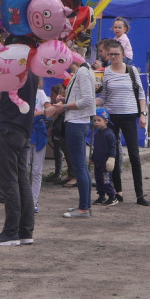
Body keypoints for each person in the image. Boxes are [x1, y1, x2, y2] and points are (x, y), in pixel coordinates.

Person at [0, 72, 39, 245]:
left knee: (9, 180)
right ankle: (25, 231)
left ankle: (11, 231)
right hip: (23, 128)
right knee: (22, 179)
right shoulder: (32, 71)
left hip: (10, 127)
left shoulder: (16, 67)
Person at [98, 40, 150, 206]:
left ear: (123, 55)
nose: (114, 57)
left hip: (129, 116)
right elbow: (103, 97)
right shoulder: (105, 72)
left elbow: (141, 94)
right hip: (111, 117)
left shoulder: (132, 71)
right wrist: (91, 102)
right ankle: (116, 192)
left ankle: (140, 195)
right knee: (111, 155)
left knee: (134, 155)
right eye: (111, 54)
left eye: (117, 54)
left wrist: (143, 114)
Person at [48, 55, 97, 218]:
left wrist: (64, 106)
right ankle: (85, 205)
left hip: (76, 123)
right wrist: (65, 100)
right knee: (81, 166)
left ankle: (84, 208)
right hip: (78, 122)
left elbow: (87, 101)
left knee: (80, 167)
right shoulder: (84, 72)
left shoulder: (83, 73)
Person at [28, 84, 51, 214]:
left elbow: (50, 109)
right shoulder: (19, 92)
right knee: (23, 168)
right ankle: (24, 199)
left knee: (37, 170)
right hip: (25, 133)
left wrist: (37, 114)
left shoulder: (40, 93)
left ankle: (34, 201)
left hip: (39, 133)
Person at [91, 108, 120, 206]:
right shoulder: (98, 133)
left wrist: (112, 158)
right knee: (98, 180)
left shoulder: (109, 134)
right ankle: (101, 196)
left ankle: (112, 196)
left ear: (106, 121)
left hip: (105, 164)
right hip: (98, 163)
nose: (96, 123)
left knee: (106, 181)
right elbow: (96, 147)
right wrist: (92, 157)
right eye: (95, 120)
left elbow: (113, 148)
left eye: (99, 120)